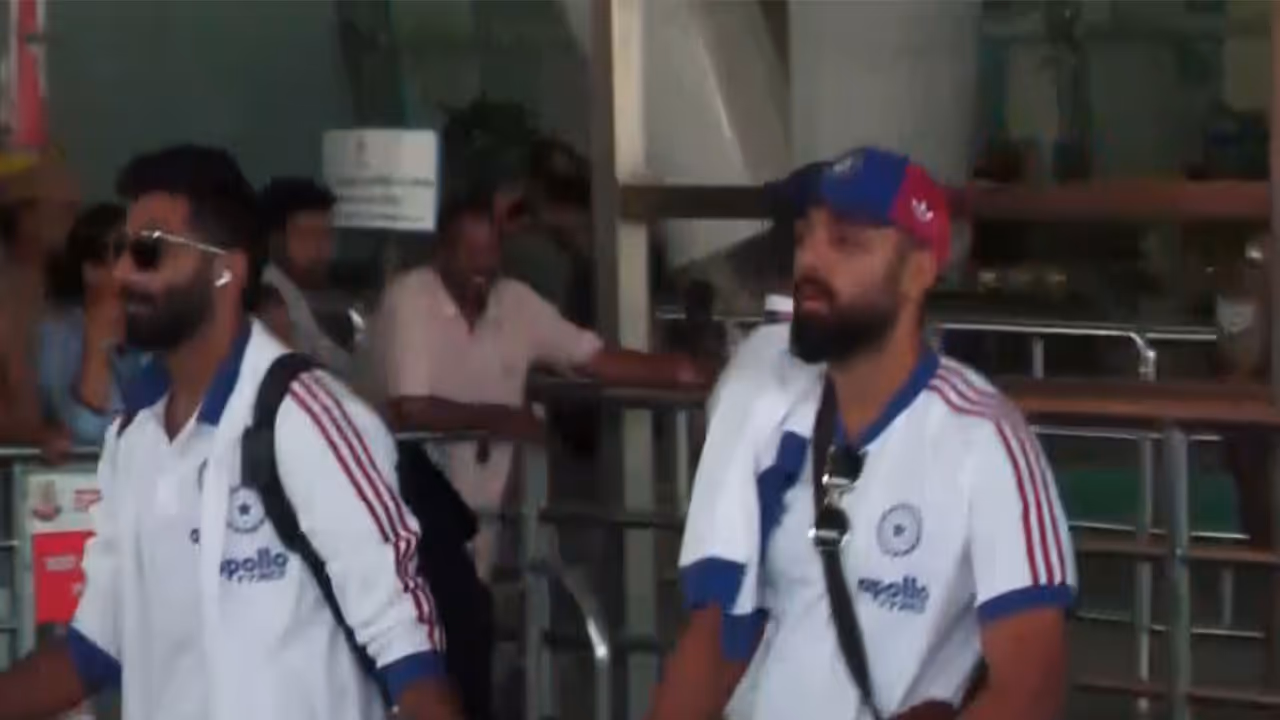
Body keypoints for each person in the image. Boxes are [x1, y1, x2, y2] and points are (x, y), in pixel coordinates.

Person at [0, 145, 461, 720]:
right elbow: (94, 650)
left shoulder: (303, 417)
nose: (121, 273)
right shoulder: (134, 437)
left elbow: (408, 653)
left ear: (226, 268)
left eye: (148, 252)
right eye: (119, 250)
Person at [647, 148, 1075, 720]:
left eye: (846, 242)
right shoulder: (770, 408)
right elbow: (717, 636)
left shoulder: (986, 443)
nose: (810, 261)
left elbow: (1030, 690)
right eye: (804, 237)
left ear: (919, 271)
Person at [376, 191, 708, 580]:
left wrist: (678, 371)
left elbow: (592, 358)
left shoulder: (515, 301)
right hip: (397, 509)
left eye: (490, 252)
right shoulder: (410, 297)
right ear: (443, 254)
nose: (482, 266)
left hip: (478, 514)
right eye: (470, 253)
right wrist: (505, 420)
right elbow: (411, 409)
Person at [37, 203, 148, 447]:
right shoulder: (57, 334)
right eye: (122, 250)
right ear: (91, 270)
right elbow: (88, 430)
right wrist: (98, 337)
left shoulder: (156, 331)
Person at [0, 155, 81, 454]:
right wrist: (36, 434)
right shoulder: (10, 298)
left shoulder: (72, 300)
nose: (73, 215)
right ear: (22, 215)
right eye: (62, 207)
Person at [257, 177, 354, 376]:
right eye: (306, 235)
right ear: (274, 239)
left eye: (326, 235)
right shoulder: (266, 298)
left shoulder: (308, 297)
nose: (320, 248)